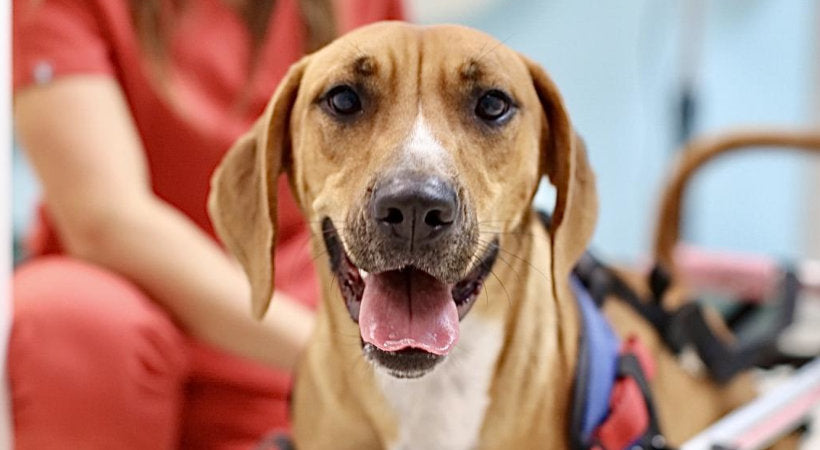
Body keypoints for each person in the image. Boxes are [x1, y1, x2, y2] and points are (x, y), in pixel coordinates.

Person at [10, 0, 403, 448]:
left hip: (310, 336)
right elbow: (103, 220)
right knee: (66, 312)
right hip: (132, 331)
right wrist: (343, 356)